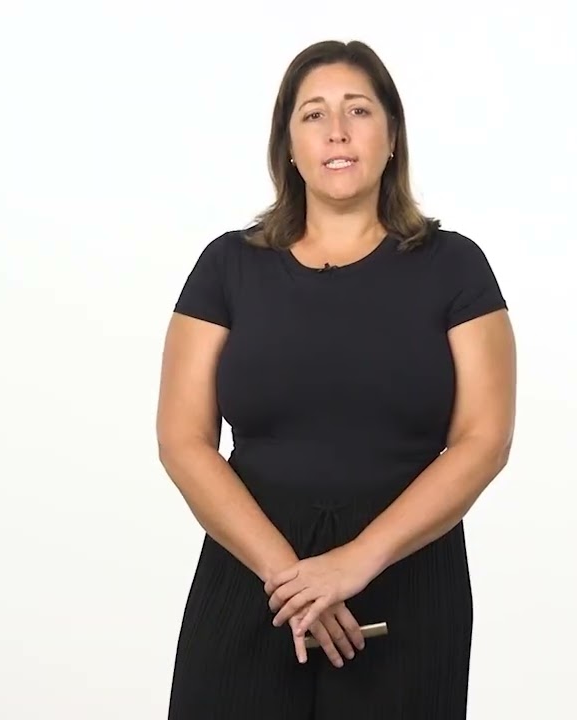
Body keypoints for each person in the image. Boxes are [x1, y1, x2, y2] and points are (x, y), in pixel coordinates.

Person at [156, 39, 516, 719]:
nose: (338, 131)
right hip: (250, 576)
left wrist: (355, 562)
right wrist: (290, 579)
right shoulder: (226, 267)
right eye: (313, 115)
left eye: (359, 110)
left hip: (408, 580)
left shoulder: (456, 268)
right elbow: (182, 438)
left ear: (391, 134)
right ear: (287, 143)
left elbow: (484, 438)